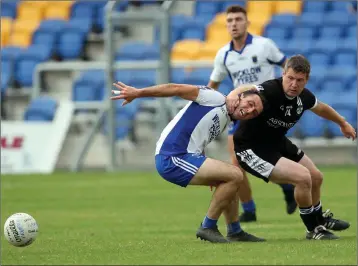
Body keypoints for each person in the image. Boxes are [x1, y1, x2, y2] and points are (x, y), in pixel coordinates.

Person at [111, 81, 266, 243]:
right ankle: (208, 227)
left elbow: (198, 138)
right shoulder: (214, 98)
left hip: (185, 156)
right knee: (235, 174)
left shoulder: (226, 118)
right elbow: (175, 88)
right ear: (239, 97)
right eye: (250, 104)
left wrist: (207, 165)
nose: (249, 111)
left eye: (253, 113)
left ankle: (235, 231)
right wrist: (138, 92)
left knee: (231, 178)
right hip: (172, 156)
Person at [228, 54, 356, 240]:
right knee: (303, 178)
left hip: (276, 141)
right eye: (290, 78)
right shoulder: (271, 89)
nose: (294, 84)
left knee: (316, 177)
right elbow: (250, 88)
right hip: (251, 148)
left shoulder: (304, 97)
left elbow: (321, 108)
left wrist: (342, 123)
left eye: (299, 80)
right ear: (283, 74)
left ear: (306, 80)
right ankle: (314, 229)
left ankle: (319, 219)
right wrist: (233, 94)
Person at [207, 4, 296, 222]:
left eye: (238, 19)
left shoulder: (264, 45)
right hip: (241, 112)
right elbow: (213, 85)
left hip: (266, 111)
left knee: (261, 159)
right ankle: (250, 208)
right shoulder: (224, 54)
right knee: (237, 163)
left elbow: (289, 70)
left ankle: (285, 186)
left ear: (247, 22)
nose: (234, 24)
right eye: (230, 21)